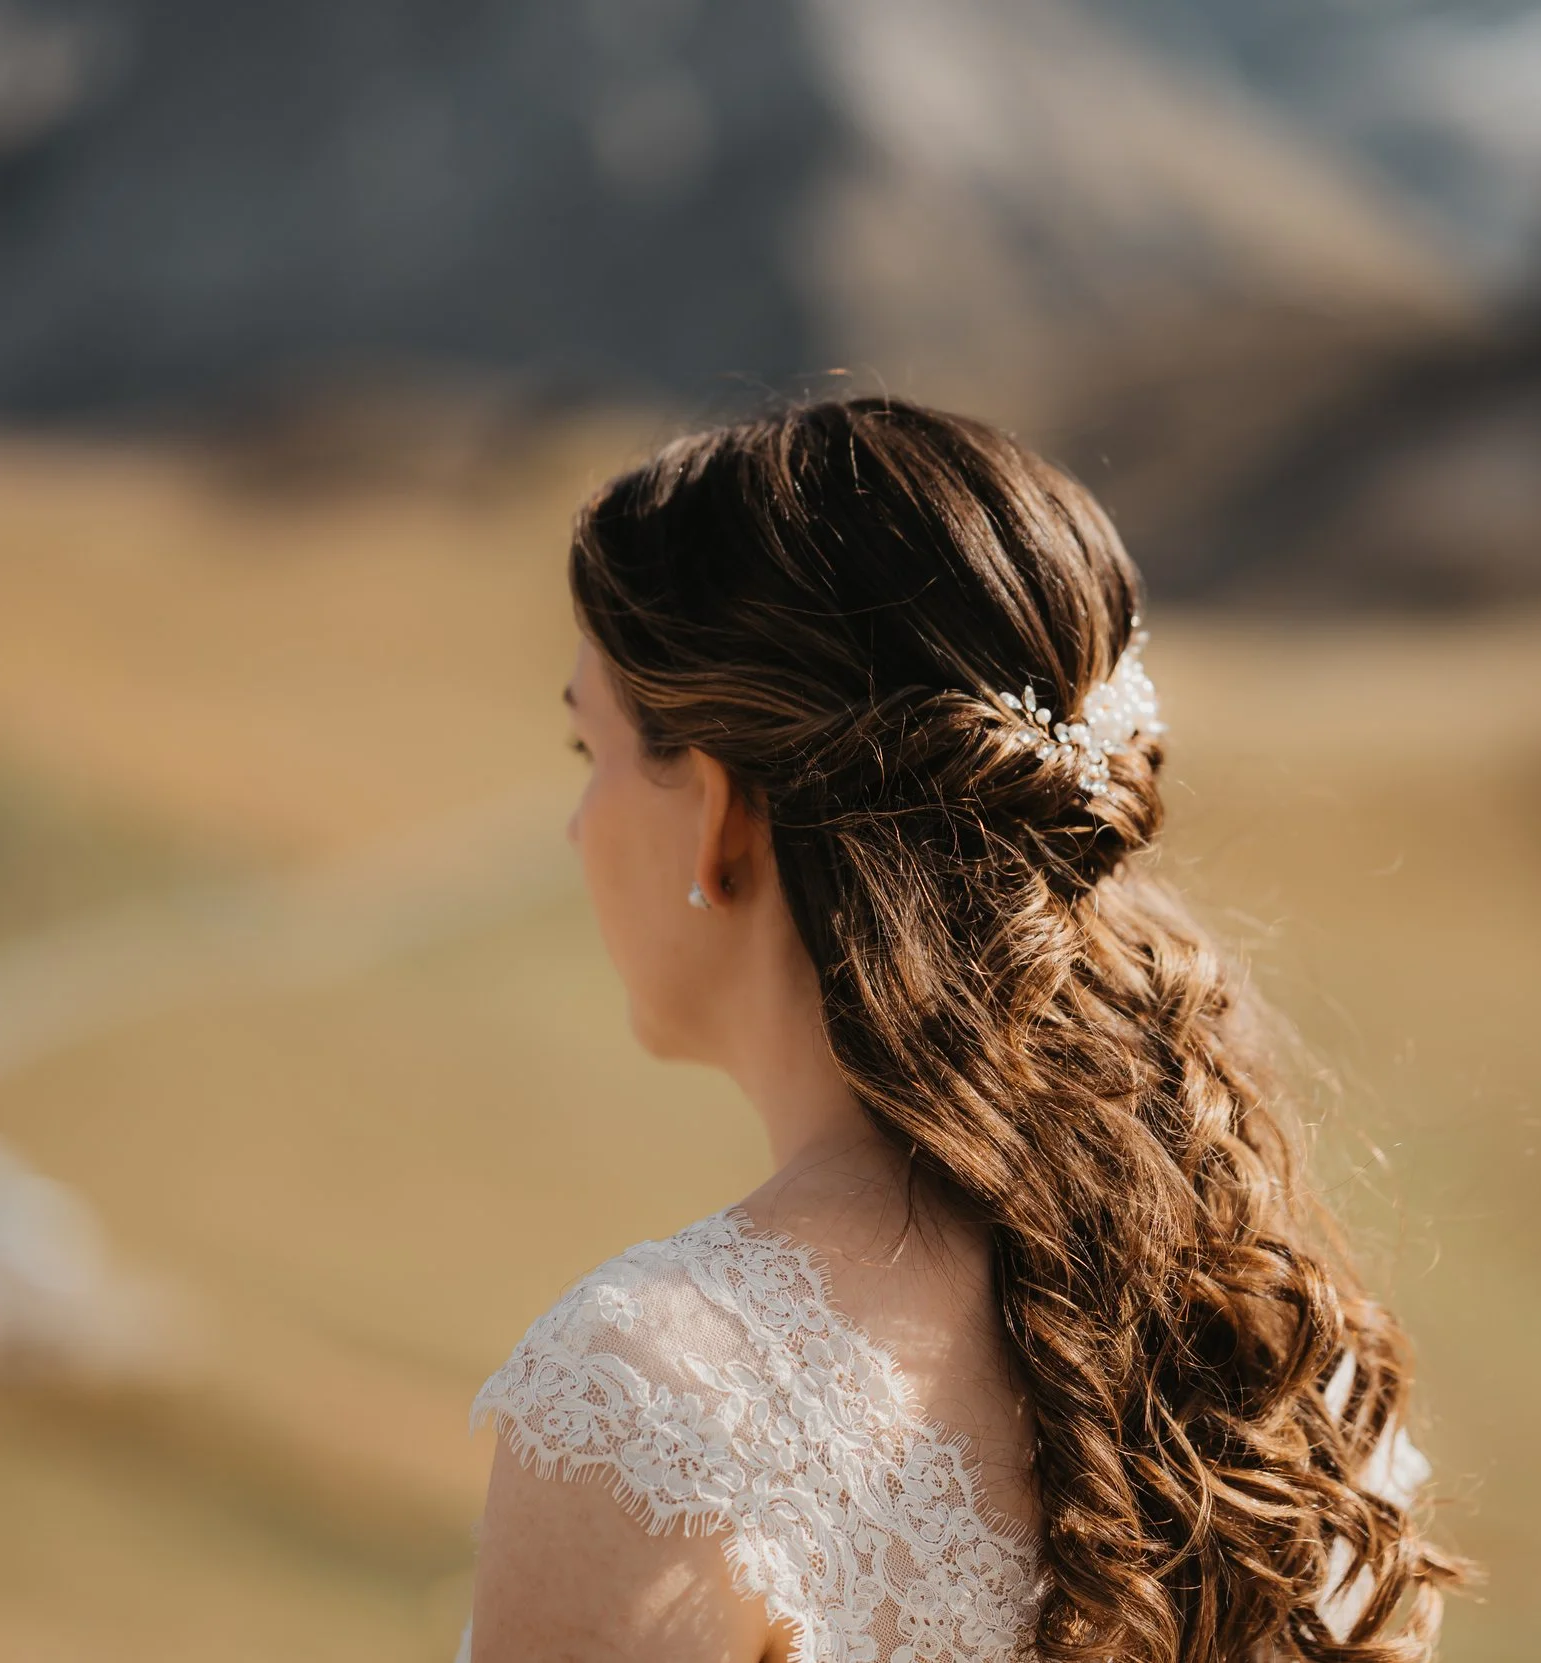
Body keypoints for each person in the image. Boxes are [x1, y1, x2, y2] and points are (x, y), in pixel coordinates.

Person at [458, 398, 1467, 1662]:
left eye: (585, 744)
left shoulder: (654, 1398)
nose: (573, 825)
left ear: (718, 812)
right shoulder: (1276, 1364)